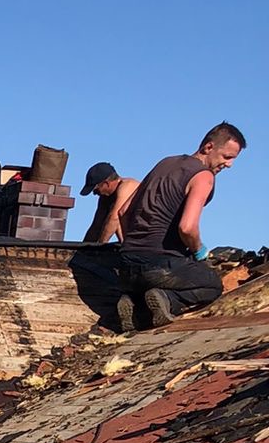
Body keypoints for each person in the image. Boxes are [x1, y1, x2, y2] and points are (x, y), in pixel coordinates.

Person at [70, 123, 245, 332]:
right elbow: (187, 227)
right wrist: (199, 251)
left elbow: (123, 212)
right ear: (208, 147)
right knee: (213, 285)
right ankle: (165, 300)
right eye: (227, 157)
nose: (230, 164)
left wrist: (134, 247)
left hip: (126, 268)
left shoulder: (165, 163)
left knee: (151, 280)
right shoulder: (203, 176)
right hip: (160, 267)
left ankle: (133, 302)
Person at [76, 161, 138, 244]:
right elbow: (96, 225)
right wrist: (83, 250)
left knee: (116, 217)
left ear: (106, 183)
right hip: (129, 243)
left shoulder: (127, 186)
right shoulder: (105, 197)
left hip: (148, 241)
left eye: (96, 189)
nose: (94, 194)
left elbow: (115, 218)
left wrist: (100, 247)